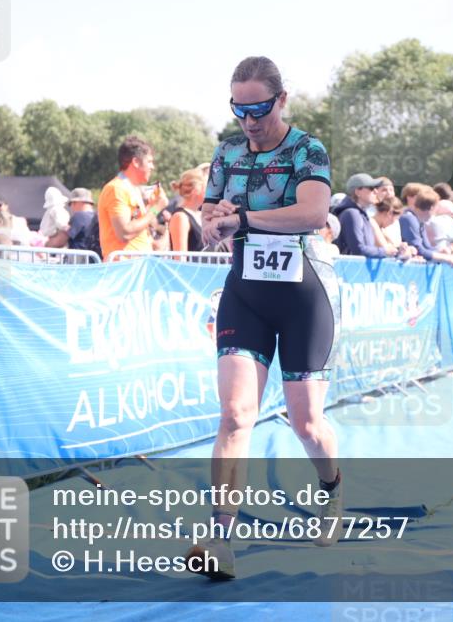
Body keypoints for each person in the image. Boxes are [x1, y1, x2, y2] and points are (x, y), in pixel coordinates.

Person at [191, 56, 342, 579]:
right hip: (246, 294)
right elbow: (210, 212)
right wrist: (212, 224)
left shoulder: (307, 149)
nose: (249, 121)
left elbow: (313, 213)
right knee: (234, 415)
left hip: (303, 297)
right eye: (239, 110)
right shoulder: (227, 151)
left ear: (281, 100)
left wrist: (244, 219)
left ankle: (332, 491)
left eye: (259, 109)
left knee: (306, 423)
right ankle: (220, 538)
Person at [98, 136, 168, 261]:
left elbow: (146, 239)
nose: (152, 167)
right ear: (135, 162)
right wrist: (156, 208)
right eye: (149, 162)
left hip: (136, 268)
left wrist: (167, 224)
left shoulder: (131, 190)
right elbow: (125, 233)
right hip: (123, 269)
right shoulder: (116, 188)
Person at [334, 173, 407, 259]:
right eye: (371, 188)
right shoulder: (352, 213)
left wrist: (397, 250)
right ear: (358, 192)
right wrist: (384, 251)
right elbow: (358, 249)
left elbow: (368, 248)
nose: (376, 191)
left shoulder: (360, 214)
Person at [399, 186, 453, 265]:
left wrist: (441, 252)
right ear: (432, 208)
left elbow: (427, 247)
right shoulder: (409, 219)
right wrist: (446, 258)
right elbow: (419, 251)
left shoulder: (420, 220)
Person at [169, 164, 210, 253]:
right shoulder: (180, 217)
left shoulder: (201, 215)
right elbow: (180, 259)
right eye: (208, 187)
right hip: (191, 267)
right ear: (196, 189)